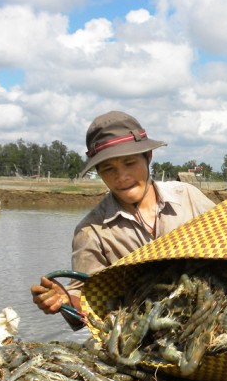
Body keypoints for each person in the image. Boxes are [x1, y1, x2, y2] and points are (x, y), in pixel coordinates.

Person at [30, 110, 215, 328]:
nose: (121, 176)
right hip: (144, 333)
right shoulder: (92, 232)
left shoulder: (188, 197)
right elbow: (85, 305)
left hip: (208, 317)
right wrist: (64, 301)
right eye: (109, 168)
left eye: (129, 163)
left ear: (148, 157)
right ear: (99, 172)